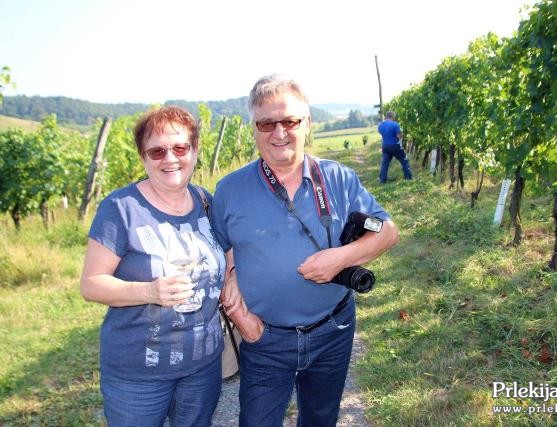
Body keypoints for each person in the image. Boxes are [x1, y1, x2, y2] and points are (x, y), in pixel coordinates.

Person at [212, 75, 399, 426]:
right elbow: (217, 255)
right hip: (265, 339)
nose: (279, 132)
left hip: (334, 331)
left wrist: (339, 259)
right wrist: (241, 316)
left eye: (290, 121)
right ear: (254, 128)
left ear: (307, 124)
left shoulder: (339, 178)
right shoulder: (229, 190)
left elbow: (387, 231)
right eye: (266, 123)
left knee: (320, 419)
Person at [80, 106, 226, 426]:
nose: (170, 159)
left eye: (179, 148)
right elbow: (91, 283)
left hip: (203, 366)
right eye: (157, 151)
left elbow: (226, 260)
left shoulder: (206, 201)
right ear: (143, 157)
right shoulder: (121, 208)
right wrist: (149, 290)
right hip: (137, 375)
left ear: (195, 150)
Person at [377, 110, 413, 183]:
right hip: (395, 146)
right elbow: (399, 136)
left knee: (385, 163)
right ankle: (408, 178)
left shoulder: (381, 125)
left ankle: (382, 180)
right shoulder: (395, 124)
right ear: (392, 117)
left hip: (385, 146)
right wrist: (402, 134)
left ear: (386, 116)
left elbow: (382, 133)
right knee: (404, 160)